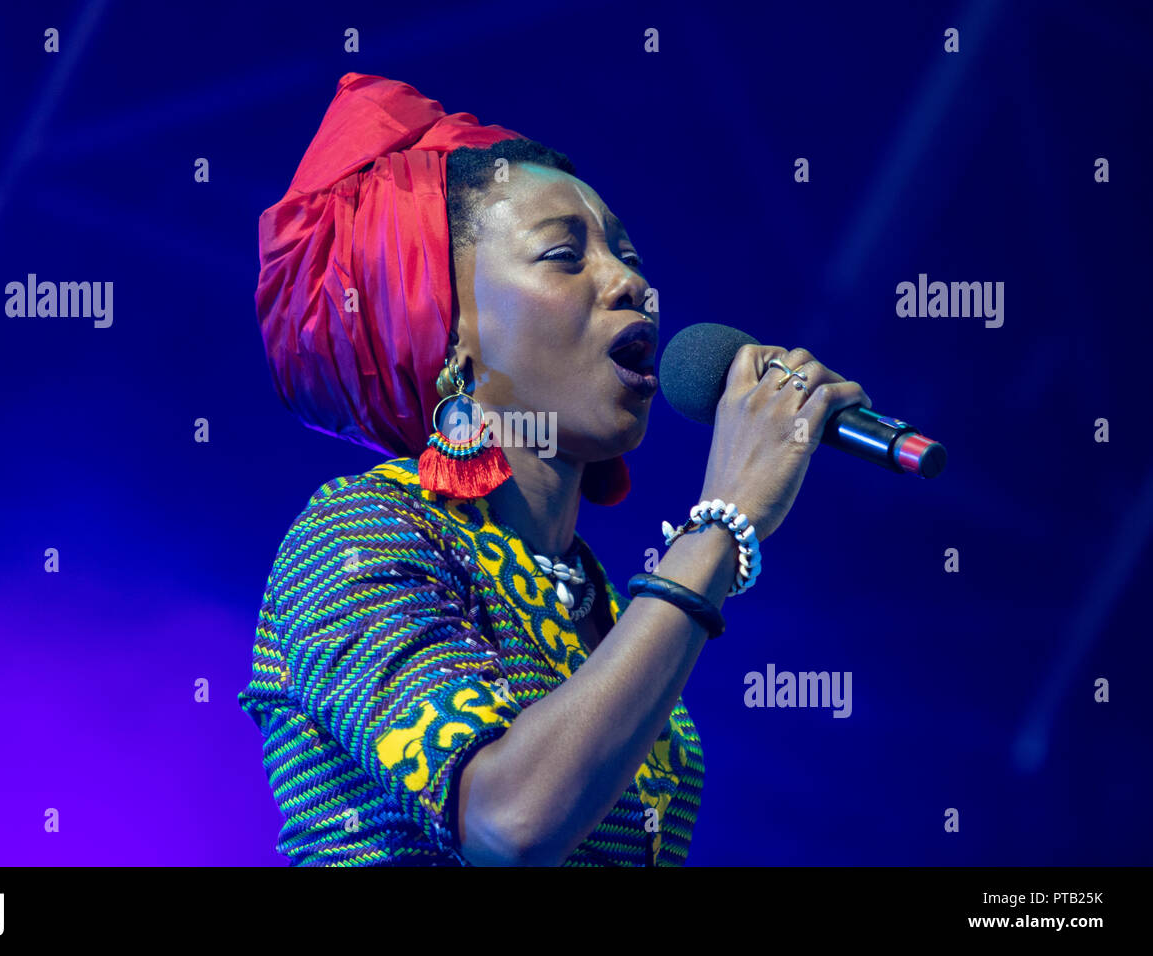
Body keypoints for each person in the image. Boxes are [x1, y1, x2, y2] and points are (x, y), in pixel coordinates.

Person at [238, 72, 870, 866]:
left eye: (627, 254)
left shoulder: (594, 589)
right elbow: (509, 821)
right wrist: (725, 518)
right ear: (452, 334)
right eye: (565, 256)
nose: (630, 283)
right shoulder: (354, 536)